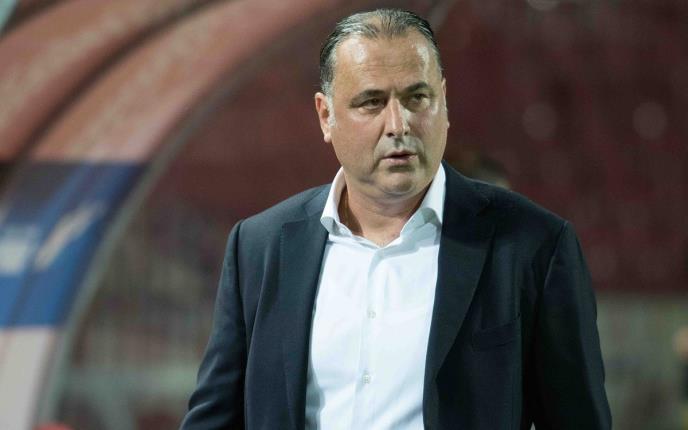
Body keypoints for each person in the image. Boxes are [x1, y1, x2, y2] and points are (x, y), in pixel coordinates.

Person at [181, 8, 611, 429]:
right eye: (372, 102)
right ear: (326, 116)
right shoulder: (259, 246)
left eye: (416, 98)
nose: (398, 124)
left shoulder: (534, 245)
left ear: (444, 102)